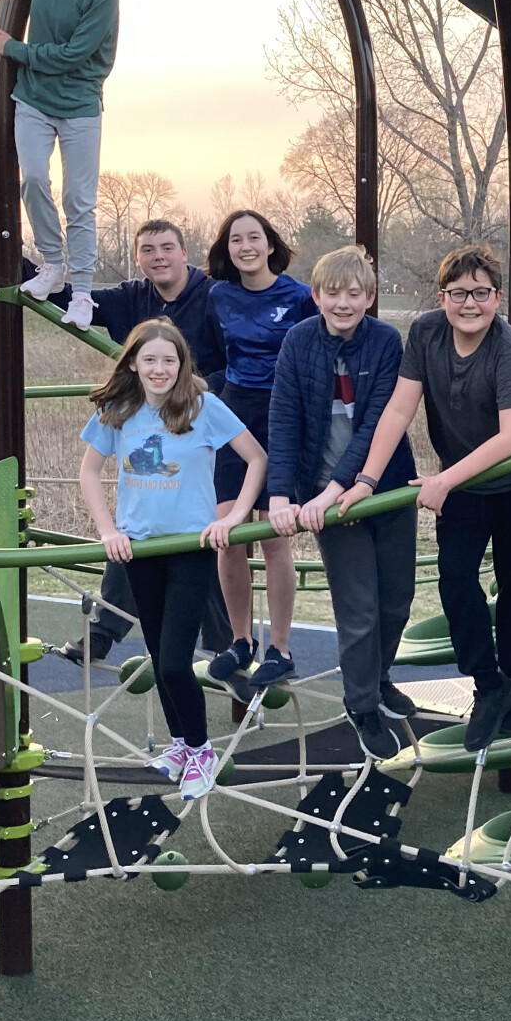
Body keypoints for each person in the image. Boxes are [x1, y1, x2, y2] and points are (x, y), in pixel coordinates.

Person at [337, 244, 511, 754]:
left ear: (497, 298)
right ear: (442, 298)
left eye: (481, 293)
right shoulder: (426, 333)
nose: (470, 304)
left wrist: (442, 481)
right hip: (465, 480)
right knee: (456, 580)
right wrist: (366, 479)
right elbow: (398, 411)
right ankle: (488, 682)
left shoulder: (509, 348)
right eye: (459, 294)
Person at [77, 319, 265, 801]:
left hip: (188, 549)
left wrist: (235, 517)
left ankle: (202, 750)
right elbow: (89, 472)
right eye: (150, 360)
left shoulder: (202, 407)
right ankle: (181, 744)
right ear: (134, 363)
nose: (159, 369)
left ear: (182, 365)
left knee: (178, 662)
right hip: (139, 550)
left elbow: (256, 459)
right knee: (160, 659)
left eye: (169, 360)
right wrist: (107, 531)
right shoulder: (119, 410)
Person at [42, 220, 233, 669]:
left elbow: (241, 356)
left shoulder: (214, 296)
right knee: (136, 522)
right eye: (148, 250)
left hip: (200, 427)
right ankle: (107, 633)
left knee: (199, 535)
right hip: (149, 427)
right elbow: (65, 296)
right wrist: (12, 259)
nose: (159, 256)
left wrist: (204, 391)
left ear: (186, 253)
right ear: (139, 258)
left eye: (167, 247)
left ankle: (228, 647)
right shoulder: (131, 297)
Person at [268, 247, 417, 760]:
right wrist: (284, 494)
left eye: (355, 294)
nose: (344, 302)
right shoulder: (297, 343)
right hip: (331, 505)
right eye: (333, 293)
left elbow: (377, 422)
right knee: (359, 610)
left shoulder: (385, 343)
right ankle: (361, 706)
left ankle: (379, 678)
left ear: (370, 298)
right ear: (316, 295)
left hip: (384, 488)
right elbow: (284, 421)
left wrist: (342, 485)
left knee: (397, 599)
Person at [0, 0, 122, 332]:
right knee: (32, 178)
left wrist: (14, 48)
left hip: (80, 106)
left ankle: (81, 291)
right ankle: (52, 263)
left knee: (79, 202)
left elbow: (73, 55)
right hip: (33, 99)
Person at [203, 210, 316, 688]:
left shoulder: (298, 297)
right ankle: (241, 640)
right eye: (235, 240)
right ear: (227, 249)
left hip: (282, 410)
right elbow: (211, 356)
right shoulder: (218, 296)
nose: (245, 247)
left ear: (271, 245)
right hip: (233, 412)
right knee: (227, 532)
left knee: (272, 535)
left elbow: (318, 353)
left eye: (254, 238)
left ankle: (281, 647)